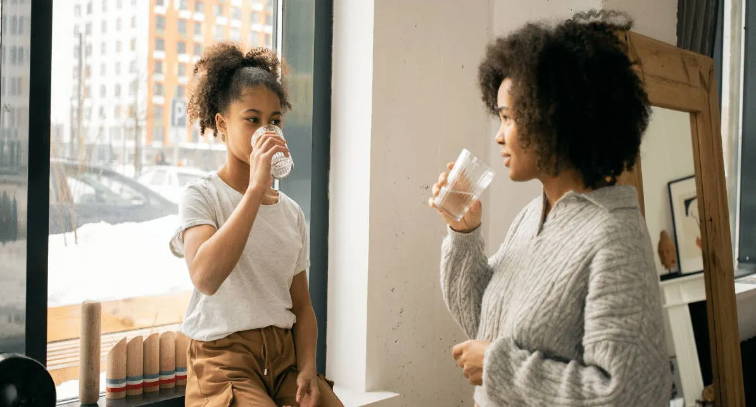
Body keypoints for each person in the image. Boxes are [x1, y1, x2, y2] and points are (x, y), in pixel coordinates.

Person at [428, 11, 671, 406]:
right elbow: (484, 324)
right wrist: (464, 233)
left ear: (557, 119)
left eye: (509, 118)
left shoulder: (612, 236)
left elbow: (630, 393)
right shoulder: (534, 217)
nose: (500, 135)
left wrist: (498, 368)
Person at [170, 43, 343, 407]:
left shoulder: (291, 212)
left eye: (274, 121)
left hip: (283, 360)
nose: (266, 131)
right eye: (252, 119)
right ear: (222, 123)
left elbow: (302, 306)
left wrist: (308, 368)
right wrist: (254, 190)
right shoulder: (201, 195)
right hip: (224, 362)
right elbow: (205, 276)